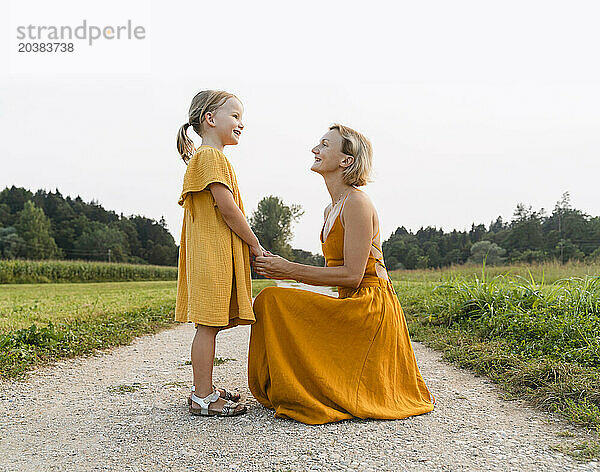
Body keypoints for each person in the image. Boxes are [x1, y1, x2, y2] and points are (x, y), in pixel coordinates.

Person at [250, 123, 436, 425]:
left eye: (324, 144)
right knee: (272, 299)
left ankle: (313, 388)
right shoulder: (330, 209)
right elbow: (331, 275)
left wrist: (290, 269)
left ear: (346, 160)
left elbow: (351, 275)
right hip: (349, 301)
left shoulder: (357, 202)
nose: (315, 149)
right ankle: (299, 383)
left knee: (272, 300)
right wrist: (279, 270)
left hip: (370, 308)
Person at [175, 90, 266, 417]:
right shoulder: (211, 157)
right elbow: (228, 209)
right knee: (208, 326)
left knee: (211, 323)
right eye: (236, 116)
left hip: (210, 254)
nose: (242, 123)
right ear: (210, 119)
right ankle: (202, 397)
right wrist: (255, 244)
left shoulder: (208, 157)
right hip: (211, 256)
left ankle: (205, 387)